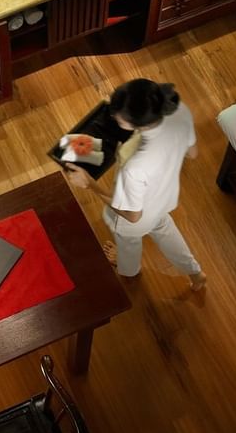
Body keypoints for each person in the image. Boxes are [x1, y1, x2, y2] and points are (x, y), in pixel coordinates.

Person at [63, 79, 207, 291]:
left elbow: (132, 216)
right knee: (162, 226)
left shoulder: (134, 167)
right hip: (163, 194)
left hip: (134, 212)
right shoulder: (178, 111)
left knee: (128, 239)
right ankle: (196, 273)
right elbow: (192, 153)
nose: (113, 116)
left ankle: (128, 268)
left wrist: (90, 184)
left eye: (119, 118)